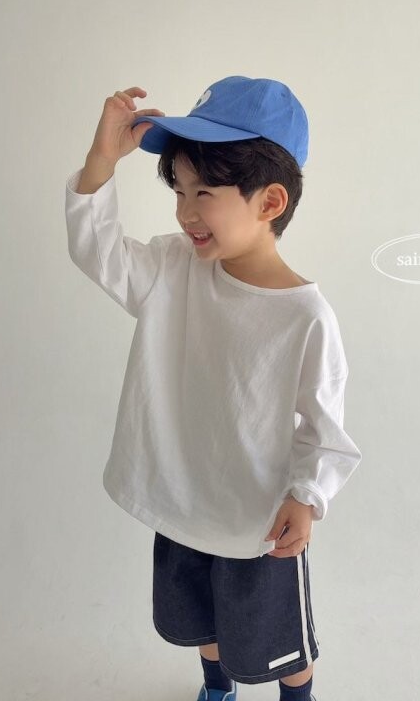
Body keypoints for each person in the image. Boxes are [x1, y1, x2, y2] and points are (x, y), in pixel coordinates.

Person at [64, 76, 363, 701]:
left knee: (279, 640)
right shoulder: (173, 268)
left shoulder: (305, 317)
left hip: (258, 520)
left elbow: (325, 429)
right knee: (204, 620)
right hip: (183, 499)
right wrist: (100, 161)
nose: (185, 212)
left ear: (270, 201)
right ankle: (216, 689)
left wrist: (306, 497)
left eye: (204, 192)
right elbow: (99, 252)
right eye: (178, 189)